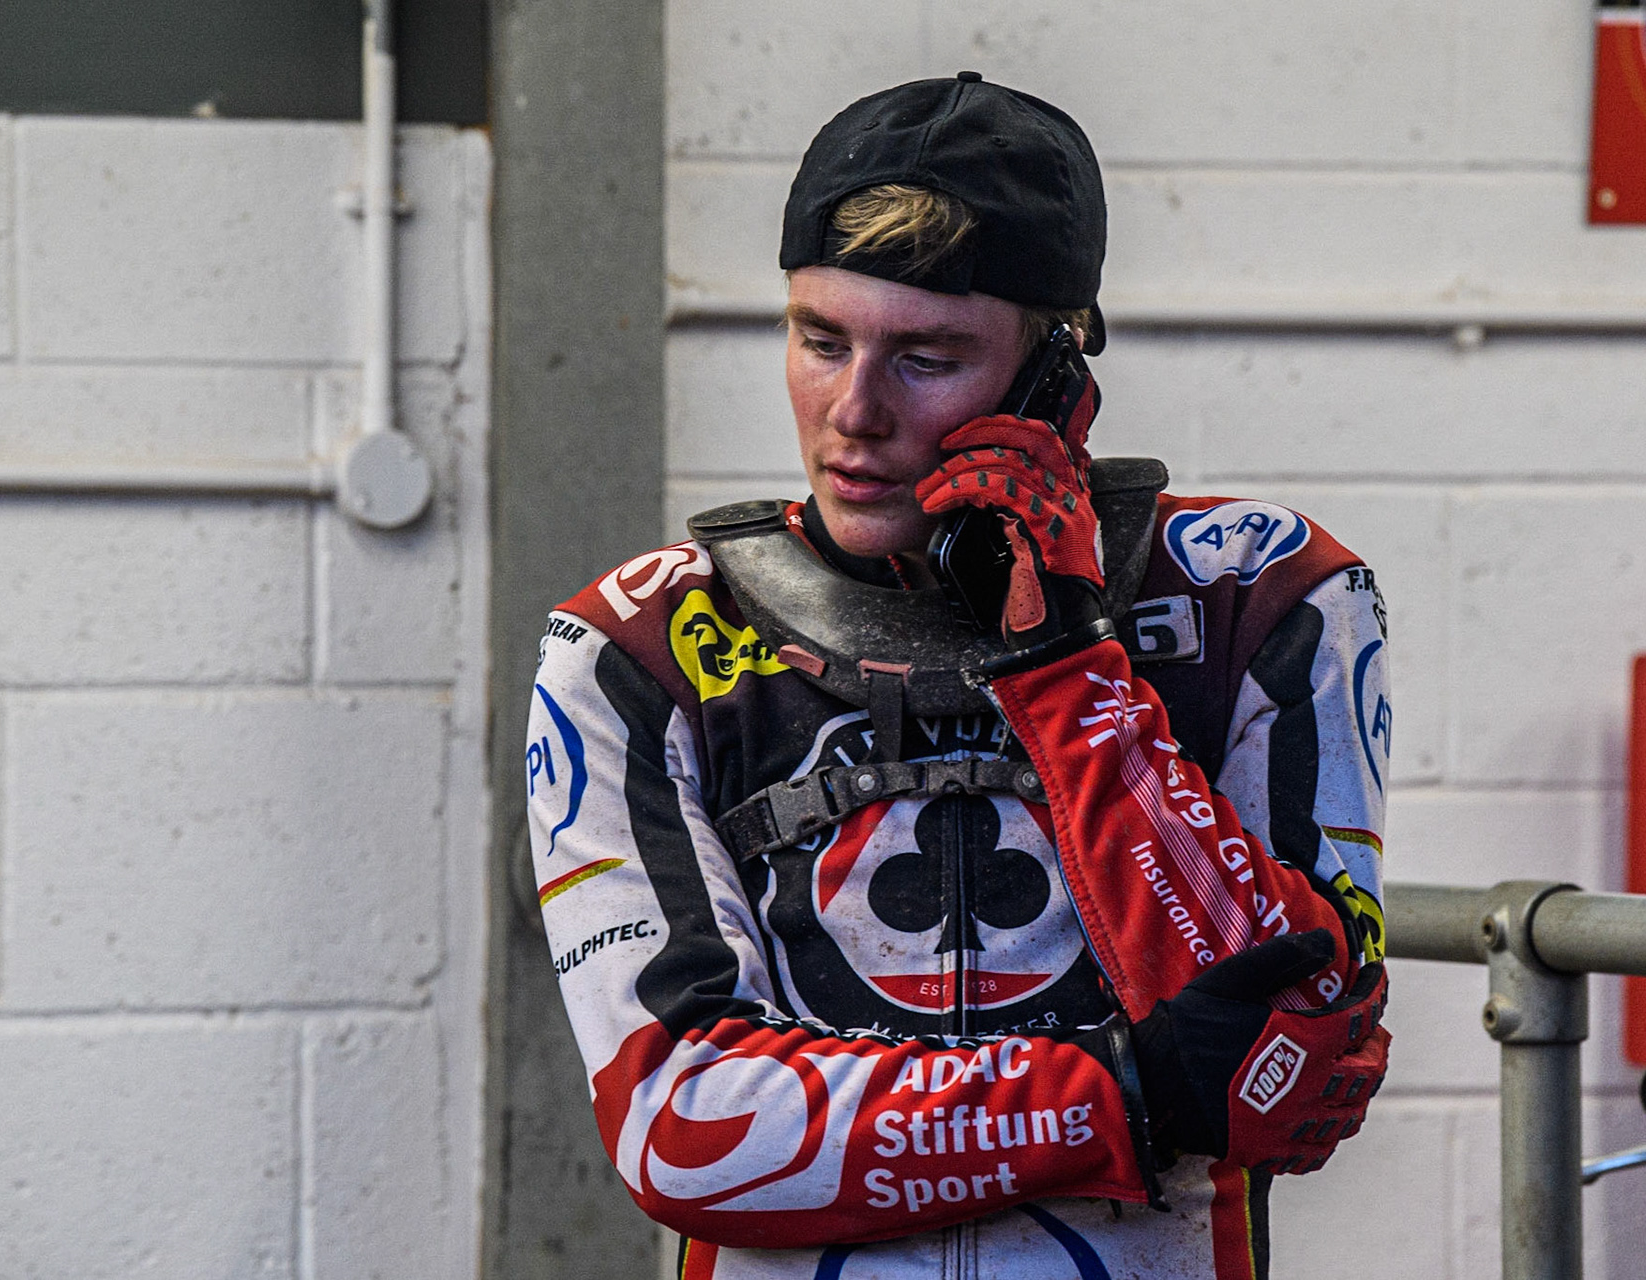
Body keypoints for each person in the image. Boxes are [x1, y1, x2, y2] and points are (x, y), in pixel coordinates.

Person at [527, 72, 1392, 1280]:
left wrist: (1070, 663)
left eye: (927, 356)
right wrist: (1124, 1097)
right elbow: (682, 1124)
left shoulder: (1265, 593)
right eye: (819, 341)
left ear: (1057, 375)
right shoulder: (639, 642)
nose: (855, 412)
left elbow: (1286, 1063)